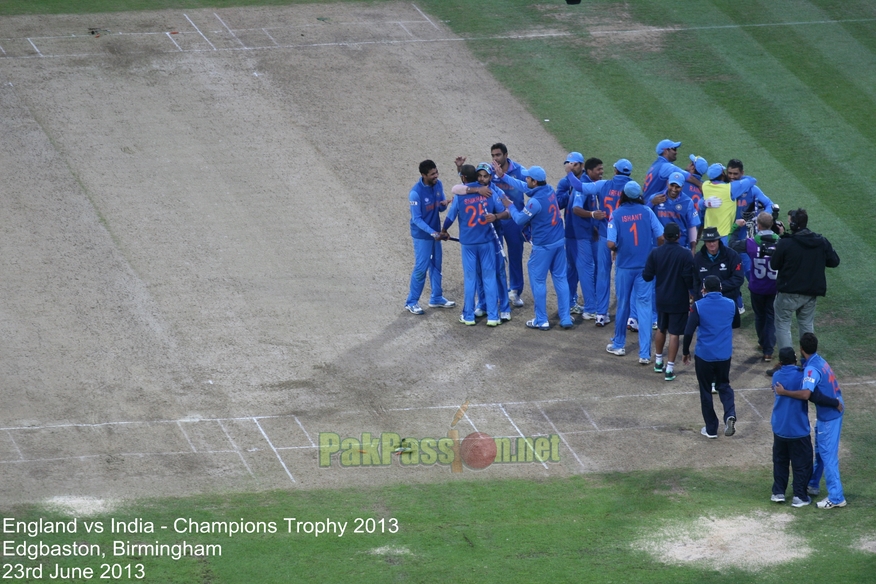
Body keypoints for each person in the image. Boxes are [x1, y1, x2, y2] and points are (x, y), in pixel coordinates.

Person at [496, 165, 573, 330]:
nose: (525, 179)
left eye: (528, 178)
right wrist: (503, 177)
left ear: (534, 181)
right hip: (559, 241)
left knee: (538, 281)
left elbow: (518, 220)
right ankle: (566, 317)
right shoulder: (549, 189)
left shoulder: (534, 203)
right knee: (560, 278)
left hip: (544, 246)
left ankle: (541, 319)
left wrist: (509, 205)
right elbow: (524, 186)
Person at [775, 333, 846, 509]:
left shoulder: (811, 370)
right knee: (821, 452)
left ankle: (836, 498)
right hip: (832, 411)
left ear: (801, 349)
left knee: (828, 456)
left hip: (830, 415)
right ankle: (813, 484)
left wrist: (785, 392)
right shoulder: (818, 361)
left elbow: (807, 394)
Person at [769, 208, 840, 363]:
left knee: (783, 325)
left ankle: (787, 364)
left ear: (794, 224)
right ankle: (808, 363)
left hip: (788, 293)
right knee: (806, 326)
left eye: (789, 221)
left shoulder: (786, 243)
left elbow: (774, 265)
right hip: (810, 293)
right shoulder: (820, 241)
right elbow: (834, 261)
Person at [441, 165, 507, 326]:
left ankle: (468, 316)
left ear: (463, 178)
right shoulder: (488, 193)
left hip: (469, 245)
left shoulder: (459, 195)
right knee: (490, 278)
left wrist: (443, 231)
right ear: (476, 177)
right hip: (487, 243)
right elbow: (502, 211)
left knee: (470, 279)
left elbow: (450, 217)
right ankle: (493, 316)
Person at [606, 181, 664, 363]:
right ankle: (645, 354)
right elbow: (661, 236)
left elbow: (610, 243)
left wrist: (617, 248)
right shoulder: (647, 211)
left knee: (623, 304)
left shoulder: (616, 215)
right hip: (645, 267)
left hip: (625, 267)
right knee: (645, 307)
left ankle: (619, 344)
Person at [567, 159, 626, 327]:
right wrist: (593, 215)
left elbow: (580, 192)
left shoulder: (599, 184)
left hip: (598, 233)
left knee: (599, 271)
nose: (601, 171)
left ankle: (598, 310)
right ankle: (594, 309)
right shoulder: (627, 187)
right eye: (599, 169)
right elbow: (576, 207)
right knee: (592, 270)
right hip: (587, 235)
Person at [682, 275, 741, 439]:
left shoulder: (698, 306)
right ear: (720, 288)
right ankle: (730, 413)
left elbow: (688, 331)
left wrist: (686, 351)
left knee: (705, 390)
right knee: (724, 385)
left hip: (704, 356)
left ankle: (711, 429)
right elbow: (736, 323)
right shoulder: (731, 304)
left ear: (704, 290)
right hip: (724, 355)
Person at [642, 222, 695, 381]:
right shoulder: (685, 254)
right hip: (679, 300)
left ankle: (658, 362)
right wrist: (692, 293)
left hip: (662, 298)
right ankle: (670, 369)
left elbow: (647, 276)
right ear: (679, 236)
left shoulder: (655, 253)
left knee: (660, 329)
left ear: (664, 236)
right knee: (674, 334)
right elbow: (688, 279)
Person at [405, 159, 455, 314]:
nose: (436, 176)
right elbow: (417, 219)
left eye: (436, 172)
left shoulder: (438, 184)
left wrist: (444, 204)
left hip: (436, 234)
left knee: (436, 266)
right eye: (432, 174)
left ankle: (436, 297)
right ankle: (411, 302)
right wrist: (433, 233)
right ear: (423, 175)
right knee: (421, 268)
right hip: (423, 236)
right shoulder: (415, 193)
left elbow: (439, 208)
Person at [769, 347, 812, 507]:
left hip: (780, 427)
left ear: (780, 361)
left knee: (780, 461)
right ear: (794, 359)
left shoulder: (776, 376)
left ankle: (778, 492)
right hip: (798, 430)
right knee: (802, 463)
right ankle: (800, 496)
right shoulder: (801, 376)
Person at [489, 143, 528, 308]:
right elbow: (473, 182)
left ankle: (515, 291)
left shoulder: (520, 171)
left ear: (506, 155)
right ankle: (498, 291)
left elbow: (532, 188)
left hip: (514, 220)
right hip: (496, 220)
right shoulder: (490, 171)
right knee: (495, 256)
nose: (496, 159)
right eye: (493, 156)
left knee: (515, 255)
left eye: (498, 155)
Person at [555, 152, 588, 316]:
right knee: (572, 268)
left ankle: (590, 302)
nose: (570, 166)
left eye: (574, 164)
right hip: (572, 232)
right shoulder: (564, 182)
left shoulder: (589, 182)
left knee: (589, 268)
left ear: (582, 165)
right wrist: (569, 194)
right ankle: (570, 301)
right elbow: (557, 204)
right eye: (568, 163)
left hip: (591, 233)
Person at [745, 212, 781, 362]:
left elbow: (733, 244)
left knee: (760, 316)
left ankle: (762, 342)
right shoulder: (781, 243)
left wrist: (735, 228)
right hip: (773, 288)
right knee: (771, 318)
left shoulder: (752, 243)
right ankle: (769, 351)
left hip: (757, 288)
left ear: (758, 226)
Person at [701, 164, 758, 242]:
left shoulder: (705, 185)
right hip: (724, 234)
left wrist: (704, 203)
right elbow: (752, 180)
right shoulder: (730, 188)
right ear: (722, 174)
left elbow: (700, 204)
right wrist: (740, 177)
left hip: (708, 234)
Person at [693, 227, 744, 303]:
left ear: (718, 240)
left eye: (713, 241)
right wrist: (697, 298)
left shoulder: (732, 255)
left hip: (727, 299)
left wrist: (717, 287)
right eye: (709, 241)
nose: (712, 244)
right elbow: (695, 281)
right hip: (705, 301)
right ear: (705, 242)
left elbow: (738, 278)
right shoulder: (698, 258)